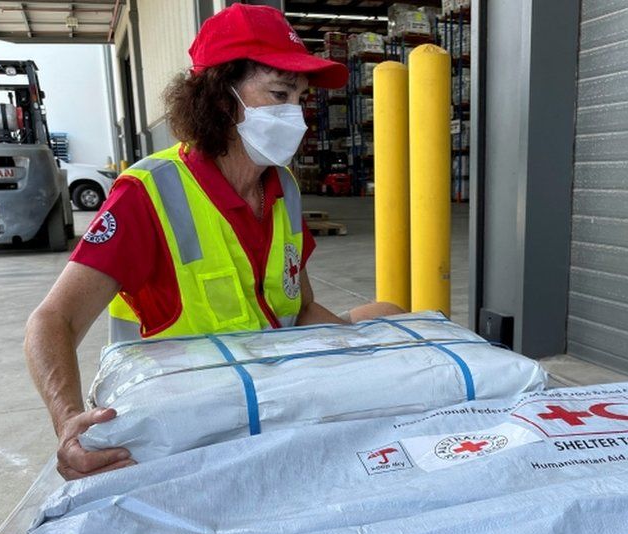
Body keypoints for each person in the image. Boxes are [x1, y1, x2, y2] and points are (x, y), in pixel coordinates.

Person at [24, 4, 403, 480]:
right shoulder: (149, 192)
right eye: (280, 94)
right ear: (221, 98)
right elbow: (52, 320)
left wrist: (376, 358)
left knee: (388, 315)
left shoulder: (281, 186)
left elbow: (301, 309)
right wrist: (68, 425)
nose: (297, 116)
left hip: (271, 399)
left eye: (301, 99)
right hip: (181, 420)